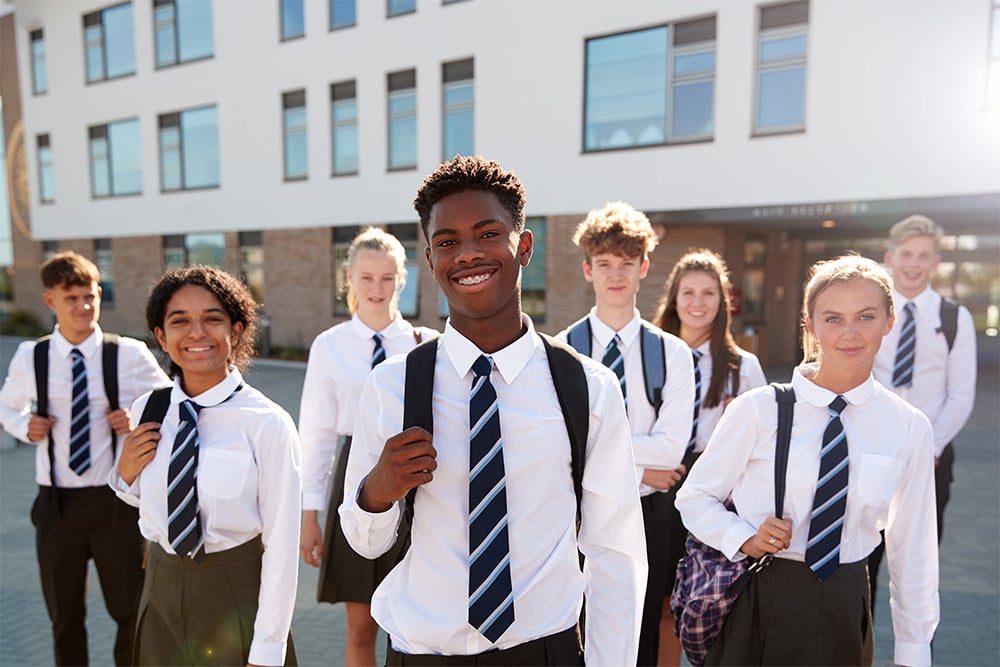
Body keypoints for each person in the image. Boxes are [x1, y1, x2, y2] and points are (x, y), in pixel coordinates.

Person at [339, 155, 647, 666]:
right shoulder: (393, 385)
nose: (468, 255)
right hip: (423, 653)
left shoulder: (587, 387)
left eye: (487, 234)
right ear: (431, 258)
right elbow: (365, 544)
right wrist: (376, 492)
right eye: (447, 242)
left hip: (542, 653)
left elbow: (616, 553)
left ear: (523, 246)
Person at [676, 255, 939, 667]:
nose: (850, 333)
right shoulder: (759, 409)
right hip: (758, 597)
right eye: (832, 318)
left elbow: (914, 552)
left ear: (889, 321)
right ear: (810, 325)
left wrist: (913, 652)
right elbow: (694, 498)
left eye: (865, 316)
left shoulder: (908, 426)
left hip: (846, 604)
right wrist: (742, 537)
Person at [111, 266, 301, 666]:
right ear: (162, 337)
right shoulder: (150, 408)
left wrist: (268, 647)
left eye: (211, 319)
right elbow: (149, 500)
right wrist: (123, 472)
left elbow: (282, 546)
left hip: (234, 596)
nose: (196, 333)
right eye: (179, 321)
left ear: (235, 331)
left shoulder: (266, 422)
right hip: (160, 588)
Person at [0, 251, 170, 666]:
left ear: (99, 294)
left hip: (116, 505)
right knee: (65, 617)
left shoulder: (127, 353)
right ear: (50, 301)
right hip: (57, 506)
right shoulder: (32, 356)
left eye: (89, 296)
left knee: (130, 612)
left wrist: (135, 420)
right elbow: (7, 407)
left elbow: (171, 403)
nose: (83, 306)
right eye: (71, 298)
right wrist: (26, 427)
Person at [555, 201, 694, 667]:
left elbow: (672, 446)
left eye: (627, 264)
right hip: (573, 512)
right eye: (605, 264)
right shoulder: (559, 352)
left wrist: (604, 455)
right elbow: (557, 448)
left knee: (642, 631)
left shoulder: (671, 353)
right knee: (572, 626)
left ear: (644, 269)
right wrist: (644, 467)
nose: (616, 274)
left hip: (648, 515)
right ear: (587, 270)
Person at [298, 227, 438, 667]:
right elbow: (317, 434)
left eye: (387, 277)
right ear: (350, 280)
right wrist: (309, 517)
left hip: (419, 481)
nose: (377, 288)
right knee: (361, 629)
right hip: (355, 480)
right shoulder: (330, 346)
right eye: (366, 278)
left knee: (417, 624)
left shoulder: (428, 344)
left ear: (403, 278)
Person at [651, 248, 767, 667]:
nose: (698, 303)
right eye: (688, 292)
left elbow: (762, 442)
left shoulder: (742, 366)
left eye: (708, 293)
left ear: (723, 303)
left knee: (712, 599)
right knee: (665, 601)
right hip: (660, 484)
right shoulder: (653, 355)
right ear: (674, 298)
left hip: (719, 490)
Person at [869, 214, 977, 606]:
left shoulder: (954, 318)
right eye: (906, 254)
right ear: (890, 257)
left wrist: (930, 447)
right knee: (862, 565)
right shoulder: (870, 310)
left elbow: (961, 394)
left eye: (923, 256)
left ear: (935, 262)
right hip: (870, 451)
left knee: (916, 567)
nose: (914, 263)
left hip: (930, 459)